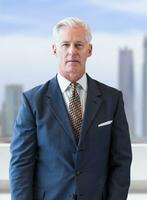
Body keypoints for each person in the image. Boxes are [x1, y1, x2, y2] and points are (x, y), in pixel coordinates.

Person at [9, 17, 132, 200]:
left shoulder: (111, 99)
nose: (72, 51)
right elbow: (21, 165)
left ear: (89, 50)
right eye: (65, 44)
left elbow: (121, 161)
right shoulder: (33, 101)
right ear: (54, 49)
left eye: (79, 45)